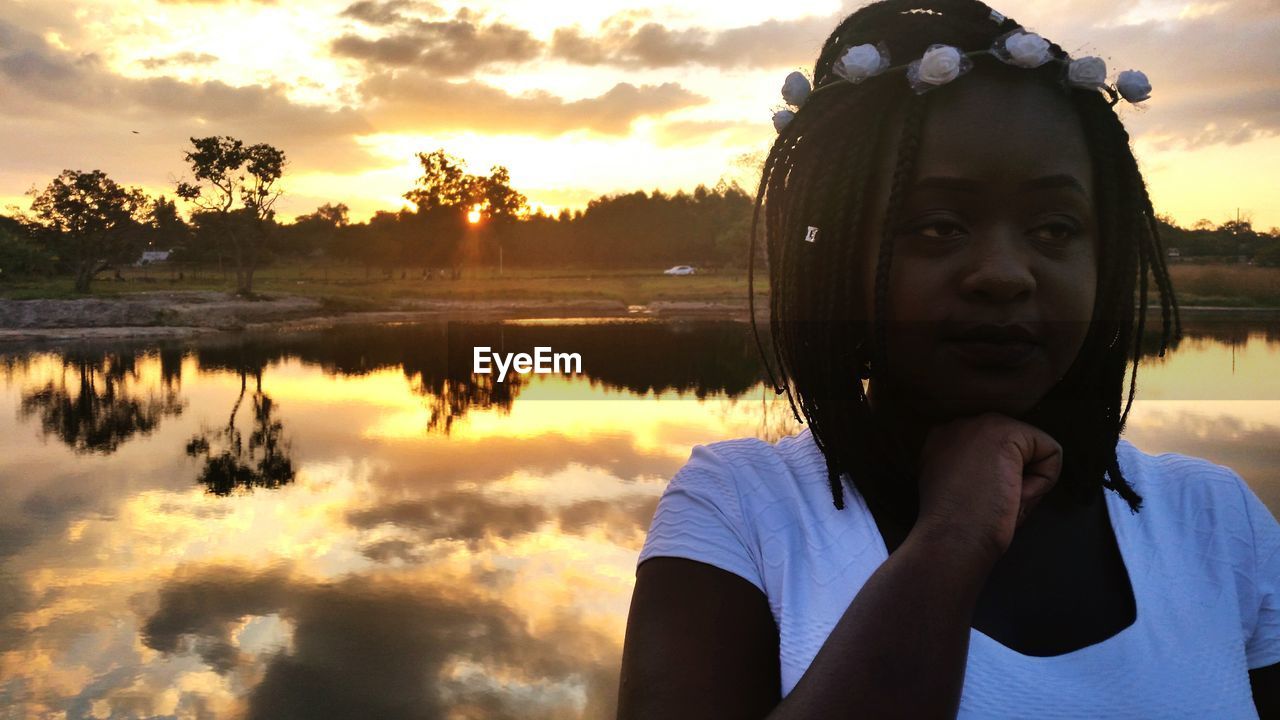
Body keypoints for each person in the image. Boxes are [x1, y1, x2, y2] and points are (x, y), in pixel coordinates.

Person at [616, 1, 1280, 718]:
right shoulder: (742, 510)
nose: (1004, 273)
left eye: (1055, 227)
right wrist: (954, 538)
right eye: (938, 225)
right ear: (839, 258)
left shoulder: (1215, 521)